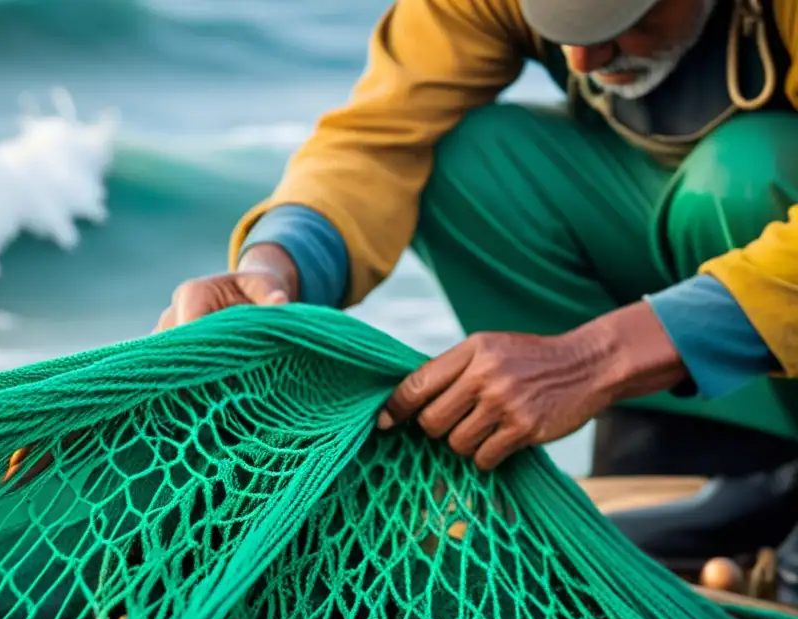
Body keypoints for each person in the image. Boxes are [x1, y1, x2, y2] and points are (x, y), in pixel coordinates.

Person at [154, 0, 798, 505]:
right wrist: (272, 270)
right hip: (658, 237)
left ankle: (767, 461)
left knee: (745, 174)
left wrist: (596, 357)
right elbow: (380, 139)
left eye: (620, 19)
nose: (581, 57)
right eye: (561, 20)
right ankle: (690, 444)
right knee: (468, 158)